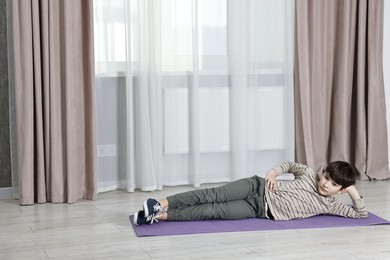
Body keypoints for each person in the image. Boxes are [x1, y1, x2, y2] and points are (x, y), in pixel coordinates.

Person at [133, 161, 368, 225]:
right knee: (211, 195)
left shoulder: (330, 205)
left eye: (333, 185)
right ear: (323, 172)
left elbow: (361, 215)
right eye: (327, 177)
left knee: (214, 212)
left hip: (259, 210)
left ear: (340, 190)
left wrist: (353, 192)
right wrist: (273, 174)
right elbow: (288, 165)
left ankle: (158, 216)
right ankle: (158, 202)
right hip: (257, 187)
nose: (326, 184)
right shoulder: (308, 173)